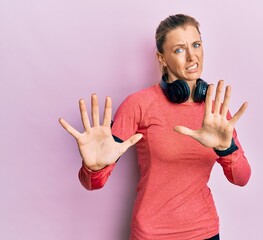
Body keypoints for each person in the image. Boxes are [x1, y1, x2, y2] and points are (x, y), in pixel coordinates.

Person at [59, 14, 251, 240]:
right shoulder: (138, 104)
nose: (192, 56)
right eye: (179, 49)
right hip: (152, 234)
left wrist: (226, 148)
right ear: (162, 58)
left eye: (196, 45)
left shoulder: (215, 111)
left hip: (205, 232)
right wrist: (94, 168)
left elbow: (242, 178)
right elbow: (92, 184)